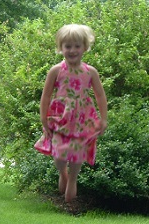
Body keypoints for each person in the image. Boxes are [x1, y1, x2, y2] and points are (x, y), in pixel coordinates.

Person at [34, 24, 108, 203]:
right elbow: (45, 96)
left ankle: (72, 182)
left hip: (83, 120)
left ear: (84, 47)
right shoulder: (56, 71)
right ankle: (62, 172)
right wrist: (44, 119)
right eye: (68, 46)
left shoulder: (90, 72)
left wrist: (103, 119)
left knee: (76, 159)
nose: (72, 50)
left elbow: (100, 95)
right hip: (60, 119)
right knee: (59, 156)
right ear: (61, 48)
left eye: (77, 46)